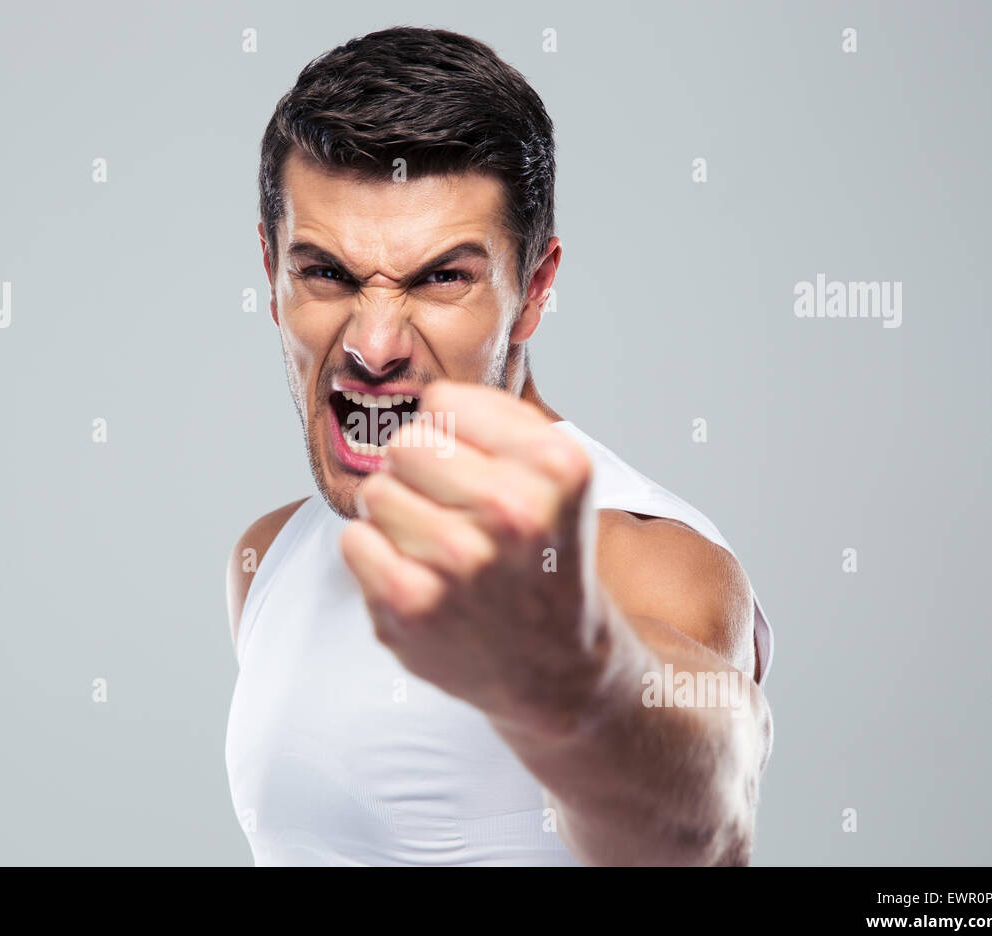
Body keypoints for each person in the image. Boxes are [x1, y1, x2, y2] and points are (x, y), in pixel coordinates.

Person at [225, 26, 774, 866]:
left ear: (533, 290)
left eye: (442, 277)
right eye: (327, 273)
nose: (373, 345)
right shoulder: (268, 557)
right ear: (270, 274)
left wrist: (570, 663)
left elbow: (703, 818)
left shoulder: (639, 556)